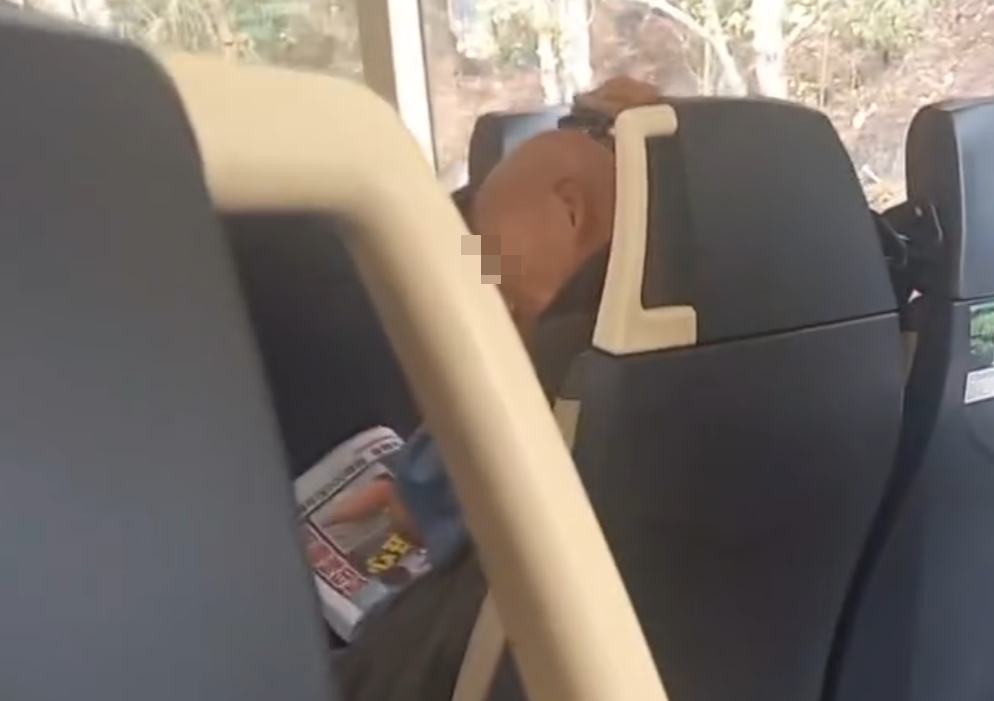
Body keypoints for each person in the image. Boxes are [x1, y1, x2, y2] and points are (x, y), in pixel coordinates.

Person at [336, 76, 662, 701]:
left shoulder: (560, 395)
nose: (493, 312)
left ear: (571, 210)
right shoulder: (698, 375)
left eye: (503, 295)